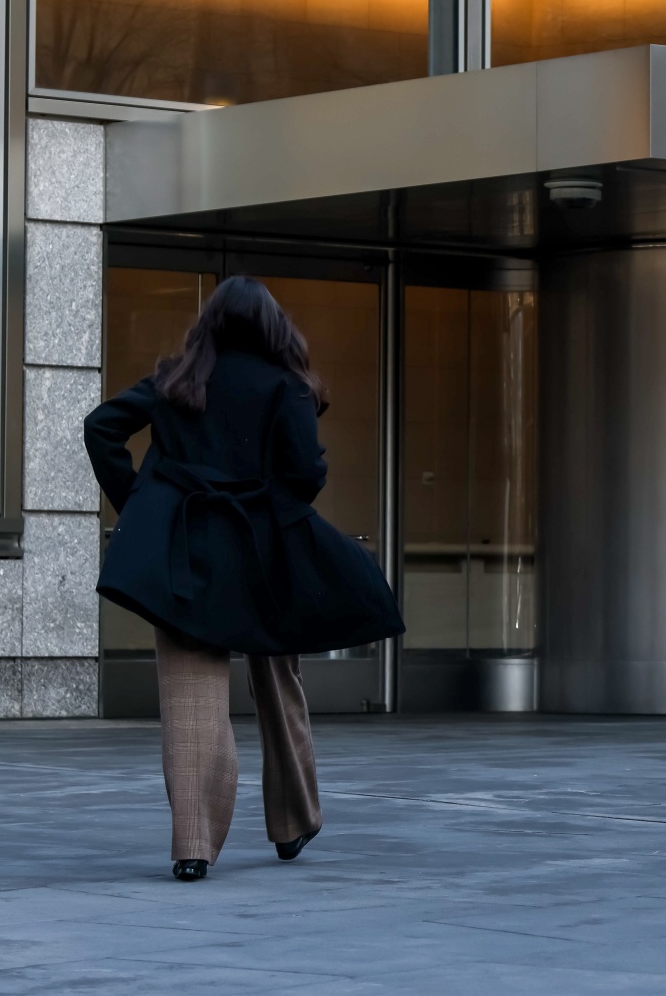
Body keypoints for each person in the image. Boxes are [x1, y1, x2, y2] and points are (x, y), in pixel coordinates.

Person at [84, 276, 401, 881]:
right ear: (273, 328)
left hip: (186, 556)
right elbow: (306, 475)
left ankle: (193, 847)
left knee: (188, 700)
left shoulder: (178, 380)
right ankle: (293, 822)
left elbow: (101, 427)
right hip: (263, 555)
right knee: (279, 686)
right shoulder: (289, 386)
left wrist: (147, 505)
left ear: (211, 326)